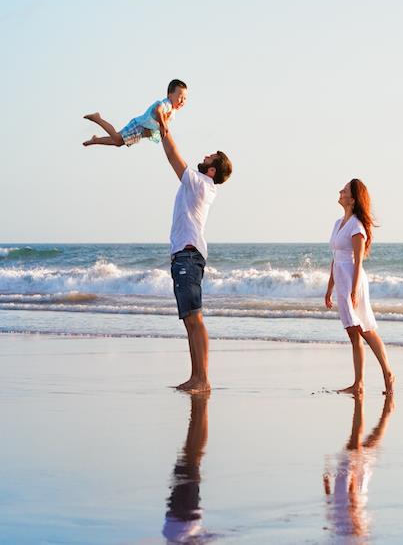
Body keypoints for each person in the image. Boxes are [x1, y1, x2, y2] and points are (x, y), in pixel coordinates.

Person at [161, 129, 232, 393]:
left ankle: (202, 379)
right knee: (189, 321)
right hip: (184, 255)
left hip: (188, 256)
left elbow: (172, 155)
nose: (206, 156)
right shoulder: (199, 184)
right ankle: (195, 377)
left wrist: (162, 126)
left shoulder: (200, 183)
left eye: (211, 157)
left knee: (195, 319)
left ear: (212, 170)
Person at [324, 179, 396, 395]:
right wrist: (329, 288)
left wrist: (354, 290)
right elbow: (335, 259)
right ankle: (359, 384)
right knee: (353, 333)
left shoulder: (356, 226)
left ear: (353, 199)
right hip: (342, 280)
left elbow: (358, 261)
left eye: (344, 190)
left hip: (353, 281)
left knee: (365, 329)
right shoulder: (338, 223)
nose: (340, 191)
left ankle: (388, 374)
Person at [323, 391, 396, 538]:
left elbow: (331, 507)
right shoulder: (345, 530)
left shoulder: (339, 530)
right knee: (363, 444)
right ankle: (385, 413)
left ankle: (384, 413)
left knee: (363, 444)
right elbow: (349, 501)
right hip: (351, 483)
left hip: (347, 482)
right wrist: (353, 474)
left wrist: (327, 485)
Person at [162, 393, 210, 543]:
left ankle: (200, 402)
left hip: (184, 519)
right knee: (189, 462)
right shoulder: (175, 537)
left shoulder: (179, 537)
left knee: (190, 462)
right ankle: (200, 405)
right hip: (180, 520)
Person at [82, 79, 187, 147]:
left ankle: (95, 140)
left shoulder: (172, 111)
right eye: (180, 97)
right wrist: (163, 125)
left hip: (141, 131)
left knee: (118, 142)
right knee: (118, 138)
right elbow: (158, 110)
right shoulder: (167, 104)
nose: (182, 101)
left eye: (185, 98)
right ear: (169, 95)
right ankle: (98, 118)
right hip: (138, 125)